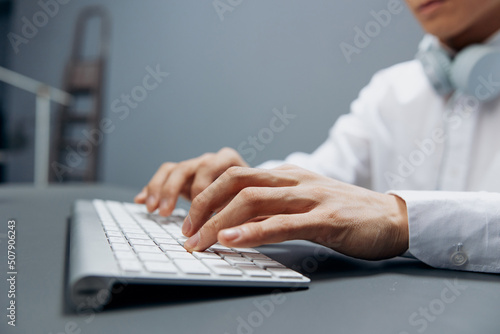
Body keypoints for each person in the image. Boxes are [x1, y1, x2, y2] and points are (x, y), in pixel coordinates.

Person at [135, 0, 500, 273]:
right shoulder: (392, 90)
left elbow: (372, 211)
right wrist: (253, 187)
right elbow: (327, 177)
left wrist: (400, 219)